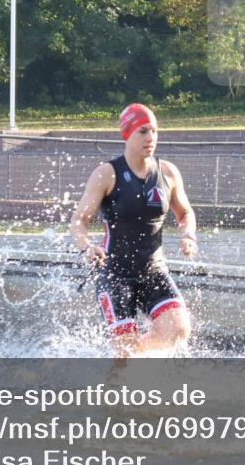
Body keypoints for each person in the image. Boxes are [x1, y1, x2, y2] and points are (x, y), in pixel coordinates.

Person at [70, 103, 197, 357]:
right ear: (127, 133)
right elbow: (78, 221)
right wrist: (86, 246)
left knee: (179, 329)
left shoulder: (167, 172)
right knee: (125, 356)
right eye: (143, 131)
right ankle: (119, 380)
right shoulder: (107, 174)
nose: (150, 138)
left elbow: (185, 213)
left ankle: (141, 366)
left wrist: (188, 235)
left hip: (153, 270)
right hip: (115, 274)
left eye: (154, 131)